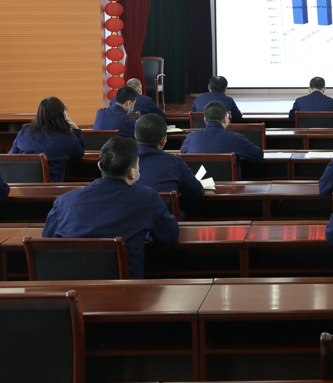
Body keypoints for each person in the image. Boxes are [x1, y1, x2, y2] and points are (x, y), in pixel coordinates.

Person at [42, 136, 179, 279]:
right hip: (126, 289)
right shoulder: (147, 198)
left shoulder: (64, 201)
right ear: (132, 172)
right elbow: (169, 236)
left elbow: (48, 241)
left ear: (99, 165)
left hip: (74, 288)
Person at [180, 101, 263, 180]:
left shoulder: (190, 138)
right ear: (225, 119)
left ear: (205, 120)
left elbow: (182, 156)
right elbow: (258, 155)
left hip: (199, 187)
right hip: (230, 188)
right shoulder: (236, 138)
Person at [9, 97, 85, 182]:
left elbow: (10, 157)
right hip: (53, 187)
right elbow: (79, 154)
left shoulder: (23, 133)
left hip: (24, 186)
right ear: (62, 115)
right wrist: (76, 130)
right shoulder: (68, 138)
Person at [135, 114, 204, 201]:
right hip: (164, 210)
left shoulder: (123, 161)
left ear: (135, 136)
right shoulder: (175, 162)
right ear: (163, 140)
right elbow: (196, 192)